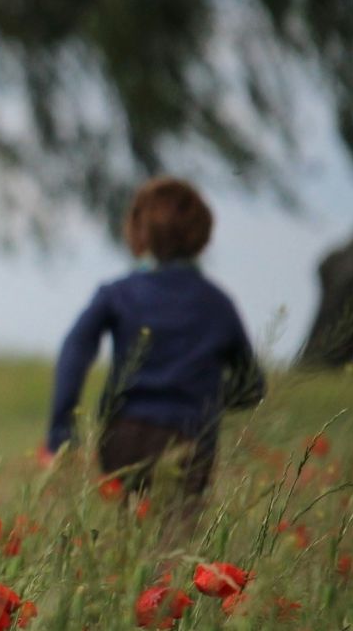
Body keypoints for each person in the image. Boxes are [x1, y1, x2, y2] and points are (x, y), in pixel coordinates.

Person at [44, 177, 265, 499]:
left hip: (123, 436)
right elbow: (251, 386)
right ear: (201, 236)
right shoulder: (218, 304)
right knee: (176, 539)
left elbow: (73, 353)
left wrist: (61, 434)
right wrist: (206, 400)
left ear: (138, 231)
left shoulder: (117, 294)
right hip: (189, 438)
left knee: (129, 531)